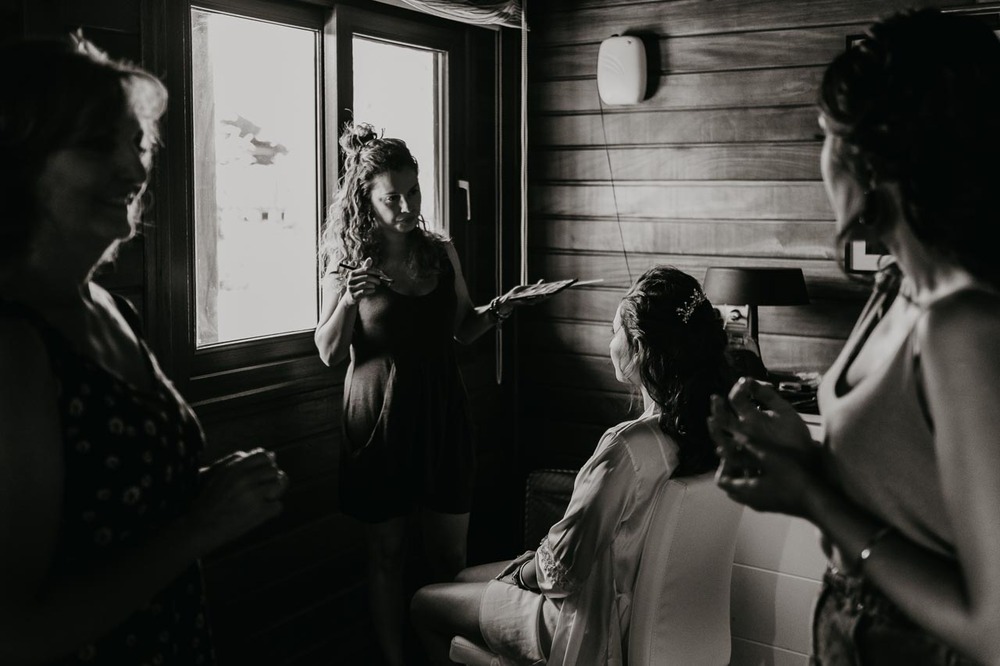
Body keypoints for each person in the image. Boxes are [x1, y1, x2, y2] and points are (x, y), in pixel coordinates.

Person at [709, 9, 1000, 666]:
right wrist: (801, 458)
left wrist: (811, 497)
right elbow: (907, 496)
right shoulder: (894, 285)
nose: (822, 159)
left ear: (876, 162)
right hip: (847, 634)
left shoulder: (966, 326)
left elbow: (995, 630)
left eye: (825, 135)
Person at [0, 35, 289, 665]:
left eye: (137, 144)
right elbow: (13, 634)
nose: (133, 171)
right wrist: (201, 525)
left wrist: (210, 489)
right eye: (96, 144)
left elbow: (107, 508)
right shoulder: (15, 340)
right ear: (20, 159)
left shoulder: (111, 309)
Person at [410, 265, 731, 665]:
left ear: (640, 347)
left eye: (614, 331)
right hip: (662, 625)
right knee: (462, 579)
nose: (609, 341)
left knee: (424, 602)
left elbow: (561, 574)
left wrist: (519, 574)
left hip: (590, 625)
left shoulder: (628, 448)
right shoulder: (716, 434)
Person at [314, 121, 539, 666]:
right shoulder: (347, 259)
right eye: (394, 197)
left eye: (414, 191)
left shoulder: (439, 252)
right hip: (379, 419)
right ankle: (396, 661)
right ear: (366, 200)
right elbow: (325, 349)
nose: (409, 205)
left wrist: (502, 309)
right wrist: (347, 300)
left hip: (442, 412)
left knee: (448, 554)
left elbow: (464, 326)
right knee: (387, 554)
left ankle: (446, 656)